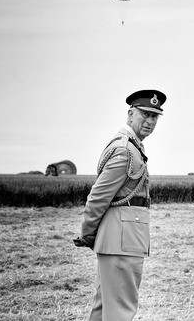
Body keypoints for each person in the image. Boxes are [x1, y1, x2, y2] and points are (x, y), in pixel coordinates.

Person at [74, 89, 167, 321]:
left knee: (103, 310)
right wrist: (87, 234)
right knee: (119, 313)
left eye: (154, 117)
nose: (149, 121)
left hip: (120, 242)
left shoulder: (131, 147)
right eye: (144, 114)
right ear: (130, 113)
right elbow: (98, 197)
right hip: (122, 244)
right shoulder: (126, 151)